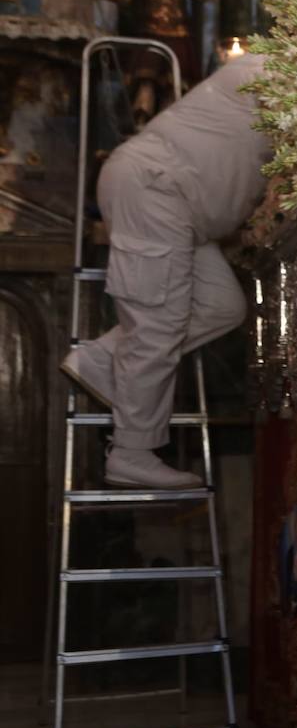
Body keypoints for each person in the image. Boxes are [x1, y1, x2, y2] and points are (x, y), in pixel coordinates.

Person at [61, 52, 271, 489]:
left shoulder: (279, 74)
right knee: (158, 321)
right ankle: (131, 451)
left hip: (179, 205)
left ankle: (101, 360)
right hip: (156, 187)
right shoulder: (272, 72)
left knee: (222, 305)